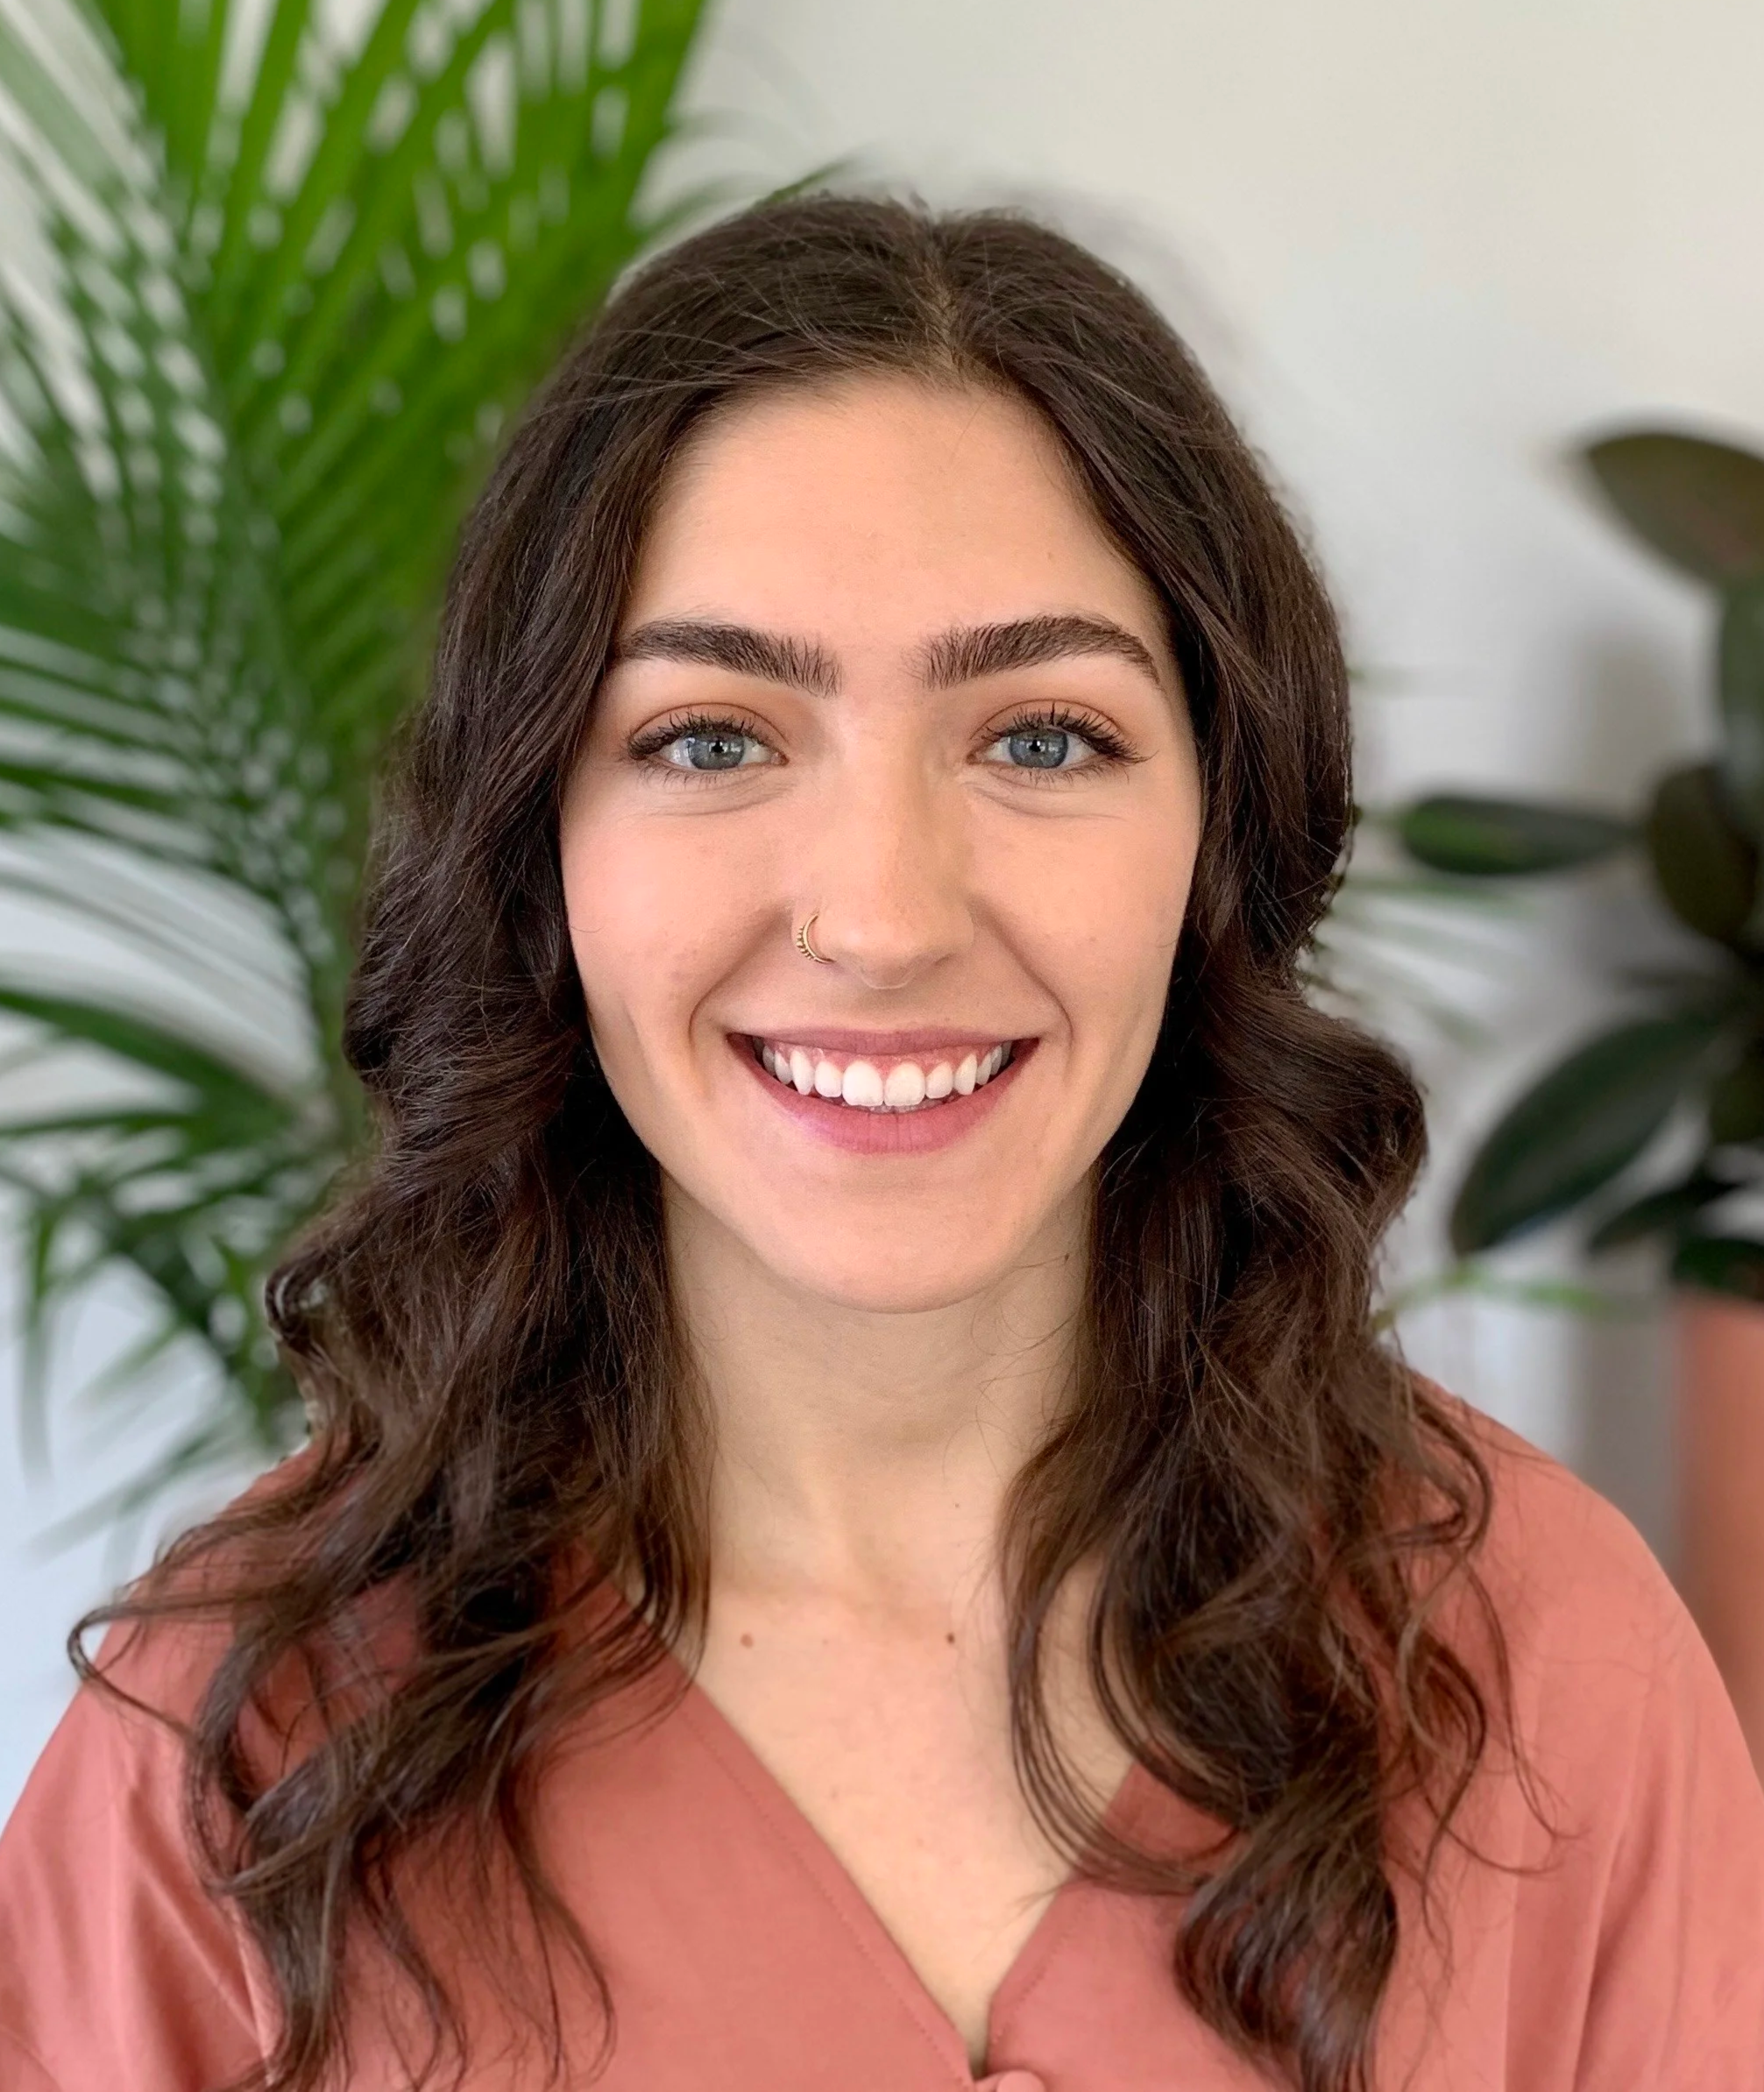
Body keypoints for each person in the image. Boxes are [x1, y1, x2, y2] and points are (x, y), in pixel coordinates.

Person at [1, 193, 1760, 2092]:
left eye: (1042, 737)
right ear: (539, 849)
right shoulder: (240, 1761)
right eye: (708, 736)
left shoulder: (1538, 1669)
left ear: (1217, 840)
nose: (881, 914)